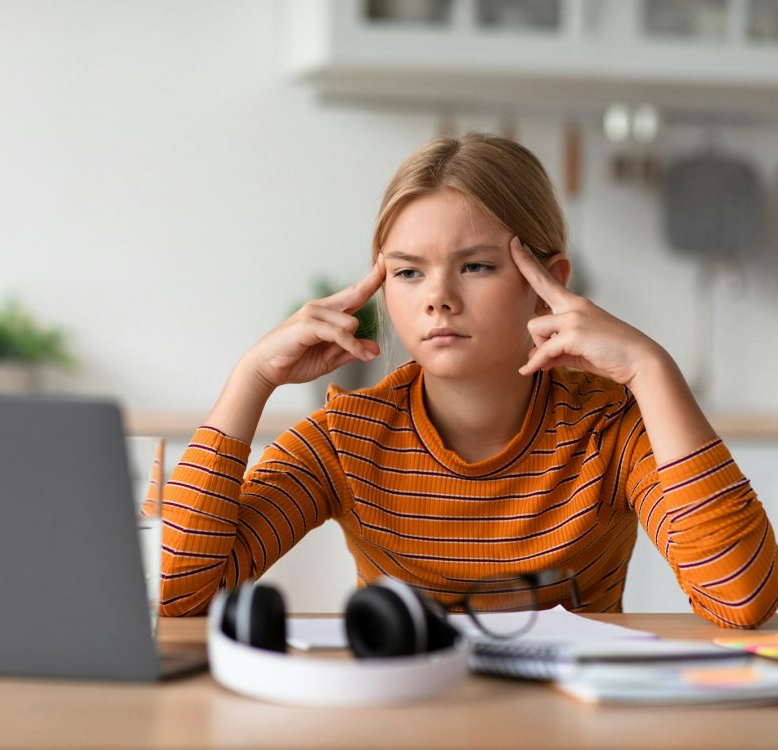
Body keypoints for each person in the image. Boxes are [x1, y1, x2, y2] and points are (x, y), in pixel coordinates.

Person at [160, 133, 778, 628]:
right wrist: (252, 377)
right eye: (408, 273)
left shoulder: (610, 429)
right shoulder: (344, 439)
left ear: (548, 283)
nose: (438, 299)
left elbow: (742, 599)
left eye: (476, 266)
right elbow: (181, 593)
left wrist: (652, 369)